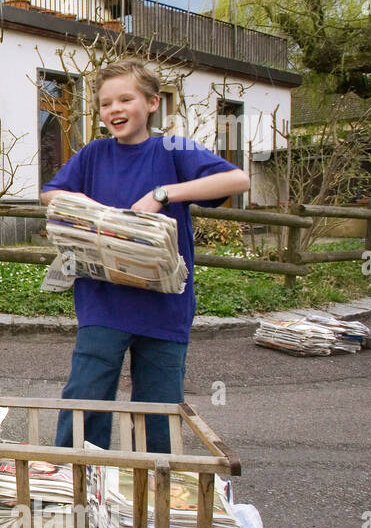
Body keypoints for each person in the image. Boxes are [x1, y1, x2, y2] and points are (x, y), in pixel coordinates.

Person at [40, 58, 251, 452]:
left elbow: (237, 179)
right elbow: (50, 192)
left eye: (125, 99)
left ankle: (153, 491)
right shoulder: (94, 153)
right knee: (85, 397)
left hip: (163, 307)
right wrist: (82, 203)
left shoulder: (172, 149)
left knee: (158, 413)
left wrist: (164, 193)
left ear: (153, 103)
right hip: (104, 302)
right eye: (105, 104)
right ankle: (77, 481)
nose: (114, 110)